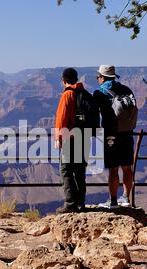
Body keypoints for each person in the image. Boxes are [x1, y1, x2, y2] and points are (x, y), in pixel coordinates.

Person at [93, 65, 137, 209]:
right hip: (127, 132)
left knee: (113, 169)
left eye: (98, 77)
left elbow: (93, 112)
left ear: (102, 77)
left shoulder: (100, 92)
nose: (98, 79)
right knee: (127, 167)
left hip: (110, 134)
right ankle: (125, 198)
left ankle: (112, 201)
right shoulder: (126, 89)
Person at [54, 68, 89, 214]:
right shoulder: (85, 93)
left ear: (63, 80)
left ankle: (70, 204)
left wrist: (58, 138)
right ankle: (81, 204)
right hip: (84, 137)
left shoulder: (67, 94)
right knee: (80, 171)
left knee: (66, 170)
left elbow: (62, 118)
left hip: (70, 138)